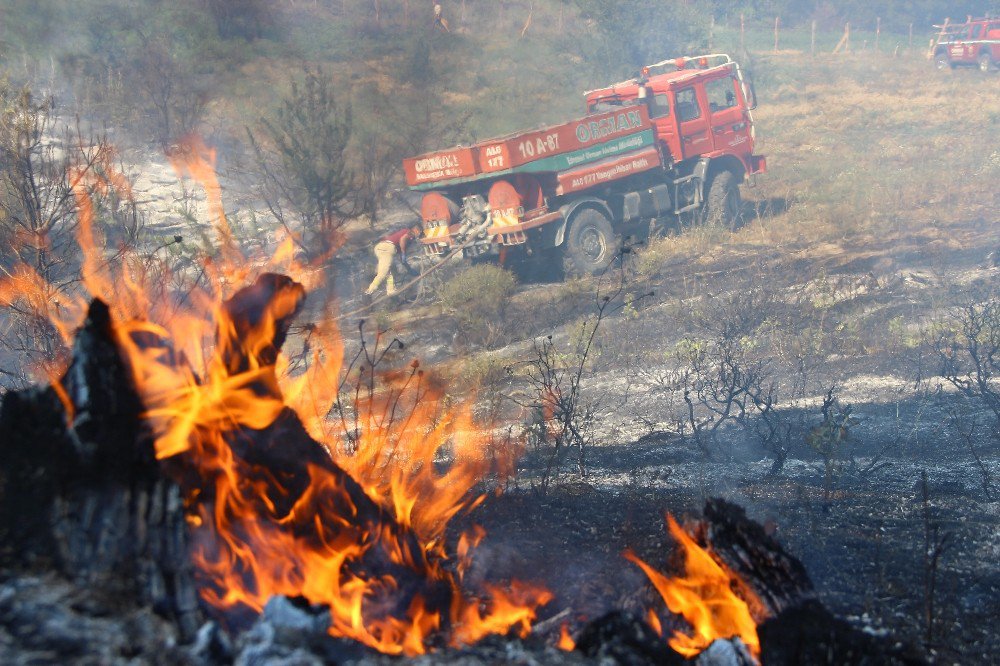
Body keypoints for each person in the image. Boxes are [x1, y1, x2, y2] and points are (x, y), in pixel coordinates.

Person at [365, 225, 421, 297]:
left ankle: (390, 291)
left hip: (383, 248)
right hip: (386, 249)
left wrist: (409, 269)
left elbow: (402, 259)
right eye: (419, 232)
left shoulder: (407, 236)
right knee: (382, 273)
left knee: (389, 272)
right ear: (416, 230)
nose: (419, 234)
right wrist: (403, 253)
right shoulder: (409, 233)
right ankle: (370, 290)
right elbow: (402, 240)